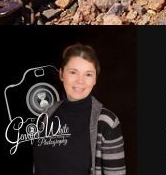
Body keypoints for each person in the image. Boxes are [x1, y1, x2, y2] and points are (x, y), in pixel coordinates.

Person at [33, 44, 126, 175]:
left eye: (88, 74)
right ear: (61, 74)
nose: (80, 81)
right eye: (73, 72)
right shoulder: (48, 114)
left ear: (95, 79)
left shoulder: (107, 122)